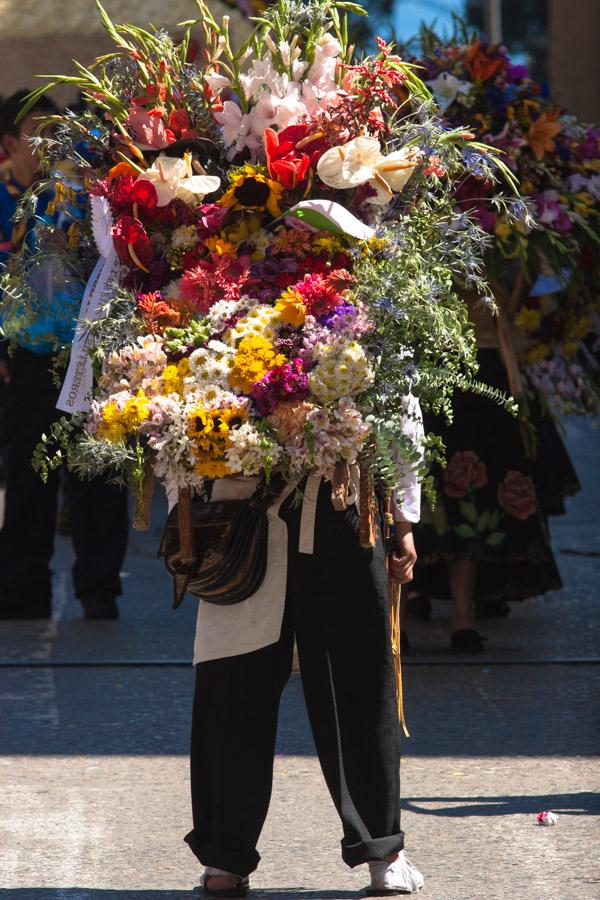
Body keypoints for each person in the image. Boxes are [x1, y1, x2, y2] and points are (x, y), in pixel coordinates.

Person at [184, 397, 425, 896]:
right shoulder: (204, 316)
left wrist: (403, 518)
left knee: (356, 678)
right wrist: (186, 505)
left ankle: (382, 848)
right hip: (241, 504)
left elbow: (398, 399)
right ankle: (225, 856)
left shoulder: (374, 316)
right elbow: (179, 394)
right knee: (234, 681)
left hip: (339, 502)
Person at [0, 90, 129, 620]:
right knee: (29, 475)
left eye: (58, 129)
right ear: (10, 143)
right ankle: (21, 590)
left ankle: (99, 589)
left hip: (90, 353)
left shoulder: (85, 198)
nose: (52, 142)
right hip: (24, 358)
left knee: (97, 471)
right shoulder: (6, 200)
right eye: (38, 132)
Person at [405, 285, 580, 652]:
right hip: (443, 370)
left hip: (477, 372)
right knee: (432, 491)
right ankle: (446, 615)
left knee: (459, 492)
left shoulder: (505, 235)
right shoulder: (482, 234)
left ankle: (454, 616)